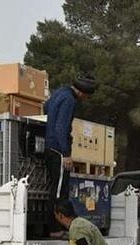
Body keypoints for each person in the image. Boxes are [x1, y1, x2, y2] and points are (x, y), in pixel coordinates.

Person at [44, 76, 97, 234]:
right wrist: (66, 153)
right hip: (58, 149)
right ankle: (54, 228)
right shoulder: (70, 100)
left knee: (55, 187)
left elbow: (46, 108)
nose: (86, 99)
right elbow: (61, 128)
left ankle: (55, 226)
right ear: (82, 93)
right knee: (60, 192)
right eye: (87, 96)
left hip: (50, 146)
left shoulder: (60, 92)